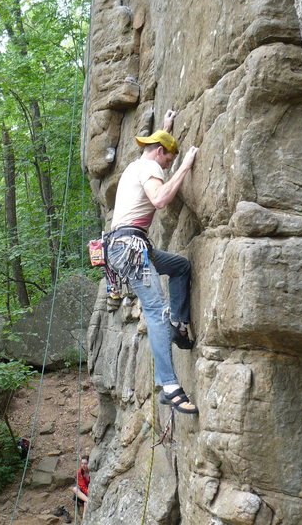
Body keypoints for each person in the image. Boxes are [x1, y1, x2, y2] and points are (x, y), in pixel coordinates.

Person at [106, 109, 199, 415]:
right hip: (131, 249)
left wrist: (167, 128)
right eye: (168, 160)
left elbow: (153, 149)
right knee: (156, 311)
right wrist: (184, 167)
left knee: (180, 267)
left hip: (126, 247)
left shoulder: (139, 163)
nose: (168, 165)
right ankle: (170, 386)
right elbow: (159, 199)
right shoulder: (151, 169)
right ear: (160, 153)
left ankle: (179, 325)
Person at [70, 455, 90, 519]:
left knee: (86, 503)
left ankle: (84, 522)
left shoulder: (91, 471)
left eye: (85, 464)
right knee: (75, 489)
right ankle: (88, 500)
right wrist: (88, 494)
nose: (83, 465)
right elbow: (83, 486)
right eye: (82, 463)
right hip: (84, 494)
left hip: (90, 491)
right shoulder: (79, 473)